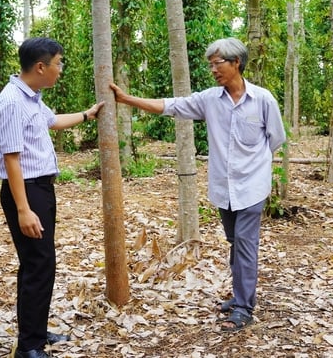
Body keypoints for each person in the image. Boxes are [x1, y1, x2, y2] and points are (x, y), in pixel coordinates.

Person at [110, 37, 286, 333]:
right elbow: (171, 106)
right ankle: (243, 295)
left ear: (236, 63)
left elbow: (276, 139)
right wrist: (127, 99)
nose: (213, 69)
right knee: (235, 242)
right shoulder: (209, 100)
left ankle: (244, 307)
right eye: (211, 64)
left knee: (244, 244)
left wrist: (255, 168)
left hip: (252, 187)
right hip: (224, 189)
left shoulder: (263, 100)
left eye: (218, 63)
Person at [0, 37, 104, 358]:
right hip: (25, 190)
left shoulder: (32, 98)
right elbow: (12, 159)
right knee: (39, 265)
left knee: (37, 264)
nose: (60, 70)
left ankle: (35, 332)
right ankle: (29, 347)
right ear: (41, 66)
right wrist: (24, 209)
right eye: (58, 63)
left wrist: (87, 114)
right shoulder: (12, 102)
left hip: (40, 189)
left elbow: (52, 122)